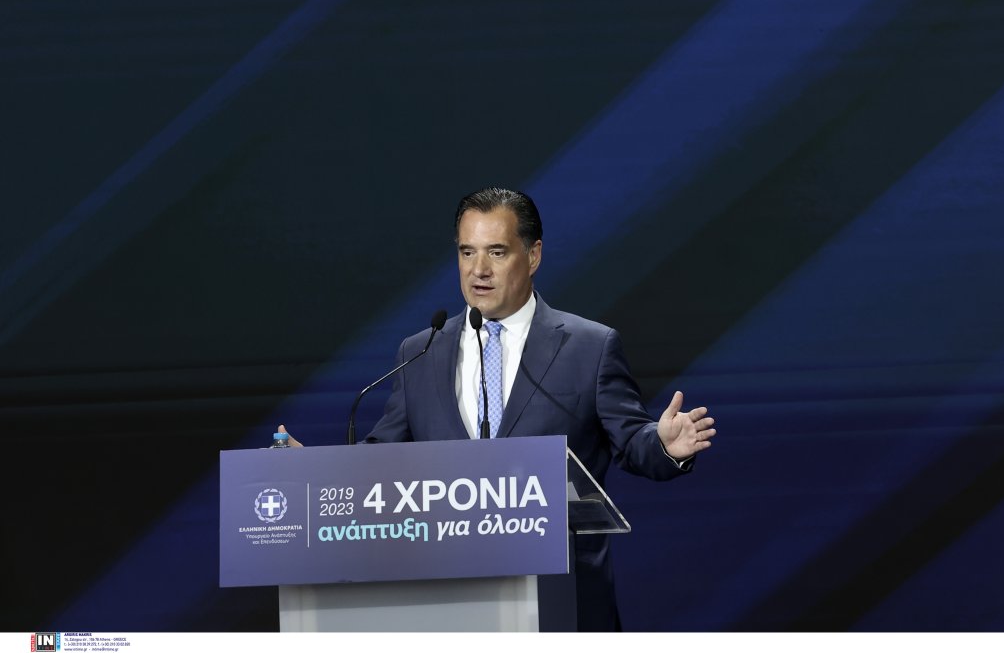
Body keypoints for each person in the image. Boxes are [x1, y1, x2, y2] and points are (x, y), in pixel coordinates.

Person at [283, 187, 715, 631]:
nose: (479, 270)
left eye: (497, 252)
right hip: (451, 601)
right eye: (467, 252)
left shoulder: (589, 346)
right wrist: (317, 475)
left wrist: (665, 445)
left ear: (533, 255)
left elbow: (632, 441)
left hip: (562, 600)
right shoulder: (421, 352)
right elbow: (384, 461)